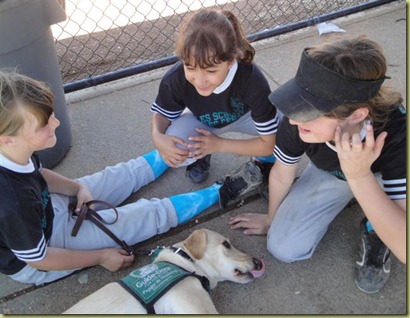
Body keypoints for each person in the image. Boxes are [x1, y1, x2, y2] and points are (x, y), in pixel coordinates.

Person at [0, 71, 228, 286]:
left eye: (50, 116)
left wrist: (77, 188)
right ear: (7, 139)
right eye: (44, 124)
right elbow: (39, 259)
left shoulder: (13, 150)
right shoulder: (12, 201)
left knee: (120, 175)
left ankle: (172, 154)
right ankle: (221, 190)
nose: (56, 123)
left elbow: (37, 174)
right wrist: (100, 257)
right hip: (45, 251)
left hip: (44, 210)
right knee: (144, 215)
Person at [228, 36, 406, 294]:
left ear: (356, 116)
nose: (293, 115)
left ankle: (375, 228)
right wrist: (271, 218)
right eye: (297, 99)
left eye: (309, 109)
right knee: (283, 246)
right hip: (333, 174)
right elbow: (281, 175)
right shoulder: (298, 124)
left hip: (379, 176)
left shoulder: (398, 133)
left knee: (394, 225)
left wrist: (358, 177)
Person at [150, 9, 280, 185]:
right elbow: (162, 115)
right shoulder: (175, 78)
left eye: (210, 71)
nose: (200, 80)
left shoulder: (252, 80)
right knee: (176, 149)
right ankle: (201, 153)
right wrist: (157, 136)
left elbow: (269, 143)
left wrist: (219, 144)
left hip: (246, 116)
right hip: (203, 120)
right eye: (190, 67)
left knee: (286, 134)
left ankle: (264, 163)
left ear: (231, 60)